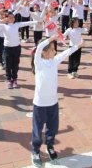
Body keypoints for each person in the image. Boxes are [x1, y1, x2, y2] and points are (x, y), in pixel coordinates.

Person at [30, 34, 83, 167]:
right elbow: (39, 47)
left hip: (53, 103)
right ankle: (35, 151)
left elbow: (66, 53)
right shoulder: (39, 62)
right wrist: (50, 39)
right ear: (44, 52)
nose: (55, 52)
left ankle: (50, 146)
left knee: (52, 128)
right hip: (40, 104)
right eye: (52, 49)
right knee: (37, 129)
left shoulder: (54, 61)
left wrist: (78, 46)